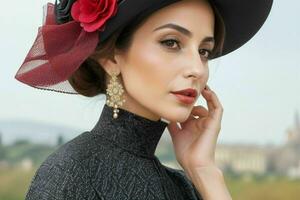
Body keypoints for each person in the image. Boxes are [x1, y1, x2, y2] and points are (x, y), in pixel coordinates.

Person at [15, 0, 273, 199]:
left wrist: (205, 172)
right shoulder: (71, 174)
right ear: (112, 58)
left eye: (204, 51)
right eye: (171, 42)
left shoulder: (185, 186)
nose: (197, 68)